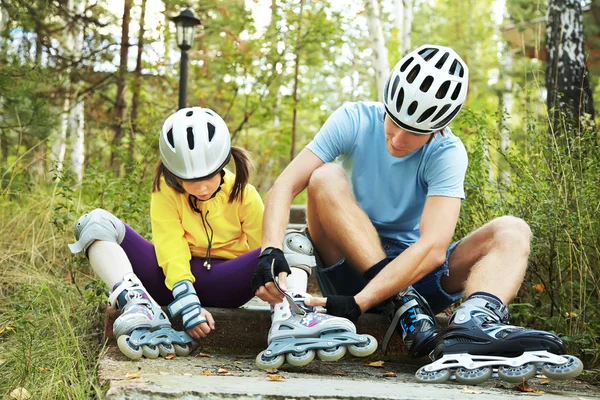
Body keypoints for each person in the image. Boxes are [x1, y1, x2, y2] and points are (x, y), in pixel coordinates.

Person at [251, 44, 583, 384]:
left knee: (512, 229)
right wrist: (271, 252)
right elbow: (284, 186)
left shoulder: (448, 153)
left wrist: (360, 303)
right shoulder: (353, 119)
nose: (397, 139)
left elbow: (435, 246)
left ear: (438, 128)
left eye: (415, 133)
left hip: (412, 278)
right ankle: (401, 302)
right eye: (394, 123)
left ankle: (473, 325)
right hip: (348, 266)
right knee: (323, 175)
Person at [68, 107, 264, 360]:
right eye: (189, 180)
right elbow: (170, 244)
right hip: (169, 281)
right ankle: (138, 304)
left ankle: (294, 316)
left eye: (208, 177)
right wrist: (186, 298)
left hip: (226, 283)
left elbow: (267, 253)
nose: (202, 187)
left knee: (282, 247)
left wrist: (276, 291)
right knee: (94, 222)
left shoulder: (245, 194)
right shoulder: (165, 189)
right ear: (173, 172)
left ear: (223, 163)